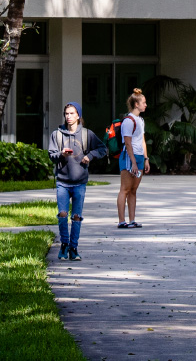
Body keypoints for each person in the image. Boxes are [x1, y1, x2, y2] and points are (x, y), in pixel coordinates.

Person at [49, 102, 105, 261]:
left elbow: (102, 149)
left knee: (76, 216)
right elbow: (51, 155)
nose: (69, 116)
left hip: (80, 182)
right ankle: (64, 244)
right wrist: (61, 154)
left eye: (72, 113)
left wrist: (90, 156)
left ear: (78, 115)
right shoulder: (57, 134)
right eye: (66, 113)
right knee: (62, 214)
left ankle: (74, 248)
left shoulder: (87, 134)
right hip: (62, 182)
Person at [116, 88, 149, 229]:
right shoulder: (128, 121)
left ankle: (132, 219)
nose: (145, 105)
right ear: (136, 104)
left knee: (134, 189)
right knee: (125, 188)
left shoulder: (140, 120)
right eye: (144, 102)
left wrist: (146, 159)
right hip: (129, 157)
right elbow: (127, 142)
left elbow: (142, 140)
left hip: (140, 156)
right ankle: (122, 220)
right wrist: (133, 162)